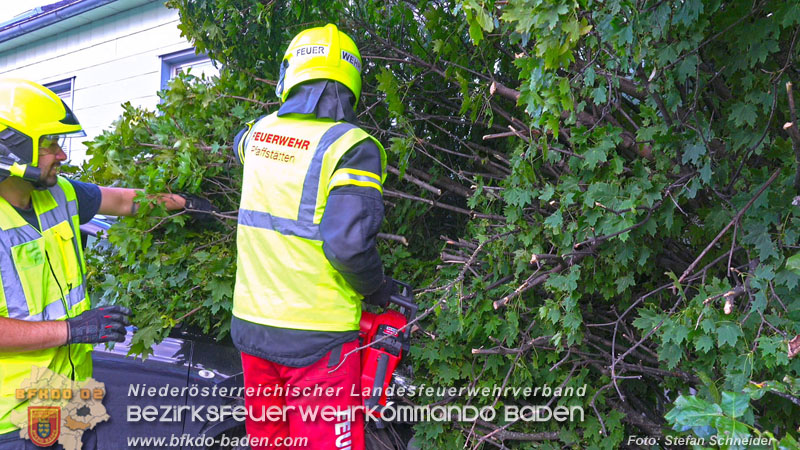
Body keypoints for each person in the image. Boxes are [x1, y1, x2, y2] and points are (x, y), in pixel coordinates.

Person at [0, 78, 217, 449]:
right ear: (15, 150)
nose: (62, 155)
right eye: (50, 144)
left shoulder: (60, 193)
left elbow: (122, 201)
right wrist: (71, 330)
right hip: (14, 421)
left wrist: (184, 203)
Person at [230, 24, 395, 450]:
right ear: (351, 81)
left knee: (269, 443)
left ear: (291, 74)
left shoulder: (257, 133)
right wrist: (378, 289)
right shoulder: (353, 146)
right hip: (318, 339)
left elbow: (239, 144)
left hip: (252, 328)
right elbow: (348, 245)